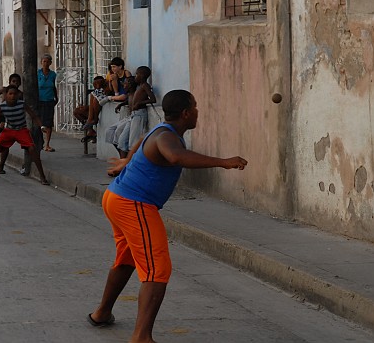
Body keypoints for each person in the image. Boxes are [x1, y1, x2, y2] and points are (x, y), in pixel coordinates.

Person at [88, 89, 247, 342]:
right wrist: (222, 162)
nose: (197, 111)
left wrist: (127, 161)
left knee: (127, 258)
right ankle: (141, 336)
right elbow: (176, 157)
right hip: (134, 204)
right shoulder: (168, 139)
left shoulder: (163, 131)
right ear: (186, 113)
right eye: (195, 107)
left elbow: (140, 140)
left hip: (117, 198)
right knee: (157, 269)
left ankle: (102, 312)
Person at [0, 85, 49, 185]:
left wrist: (41, 126)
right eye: (10, 94)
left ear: (18, 95)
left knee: (32, 149)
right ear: (6, 95)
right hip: (9, 130)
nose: (12, 96)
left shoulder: (22, 104)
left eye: (15, 94)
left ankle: (42, 177)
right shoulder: (2, 107)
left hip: (21, 130)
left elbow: (33, 116)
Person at [74, 75, 108, 143]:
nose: (95, 85)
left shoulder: (105, 88)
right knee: (76, 111)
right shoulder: (96, 91)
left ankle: (92, 121)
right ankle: (90, 130)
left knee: (94, 99)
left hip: (99, 109)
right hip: (93, 109)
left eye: (96, 83)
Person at [38, 54, 58, 152]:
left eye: (47, 62)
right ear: (41, 62)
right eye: (44, 61)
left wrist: (56, 97)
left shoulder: (53, 74)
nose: (45, 64)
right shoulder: (37, 74)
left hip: (49, 100)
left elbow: (53, 86)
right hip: (40, 100)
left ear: (50, 63)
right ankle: (39, 142)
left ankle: (47, 144)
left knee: (49, 123)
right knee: (40, 122)